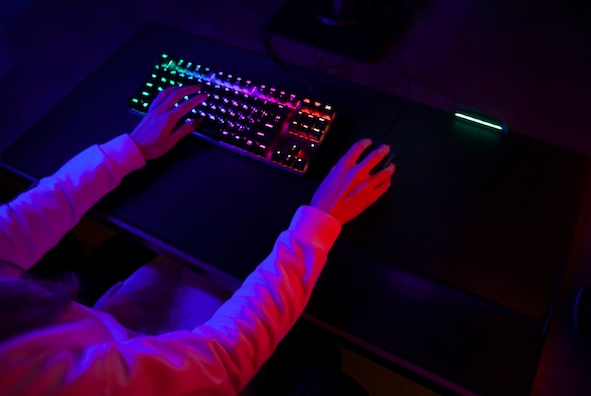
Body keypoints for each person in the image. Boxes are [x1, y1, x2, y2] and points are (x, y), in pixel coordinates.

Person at [0, 85, 396, 396]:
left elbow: (16, 224)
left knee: (197, 250)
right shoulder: (35, 383)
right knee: (233, 253)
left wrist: (130, 149)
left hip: (98, 334)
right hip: (183, 376)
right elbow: (223, 358)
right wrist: (320, 222)